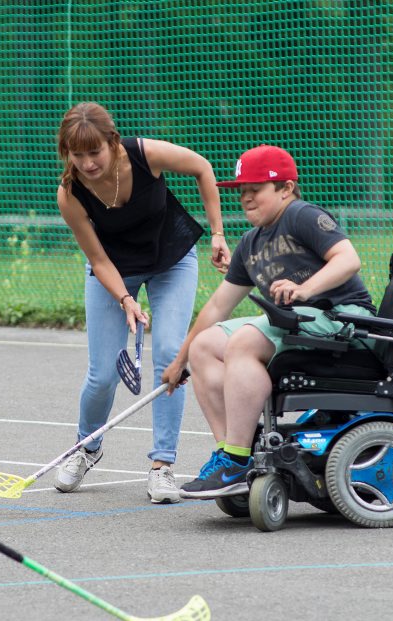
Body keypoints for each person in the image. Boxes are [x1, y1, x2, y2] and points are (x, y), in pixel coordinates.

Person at [162, 144, 376, 498]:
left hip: (344, 320)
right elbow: (217, 307)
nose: (245, 198)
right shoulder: (250, 243)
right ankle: (232, 452)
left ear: (286, 189)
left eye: (255, 190)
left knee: (245, 339)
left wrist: (304, 289)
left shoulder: (301, 215)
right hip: (299, 324)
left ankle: (237, 457)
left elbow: (348, 259)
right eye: (242, 191)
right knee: (205, 345)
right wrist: (180, 359)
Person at [52, 102, 230, 504]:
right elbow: (98, 260)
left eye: (94, 151)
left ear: (112, 142)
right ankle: (87, 446)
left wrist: (218, 233)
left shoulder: (145, 154)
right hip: (115, 269)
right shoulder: (70, 195)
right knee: (102, 375)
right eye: (77, 155)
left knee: (170, 353)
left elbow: (202, 166)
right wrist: (126, 300)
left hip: (172, 259)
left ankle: (162, 466)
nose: (87, 162)